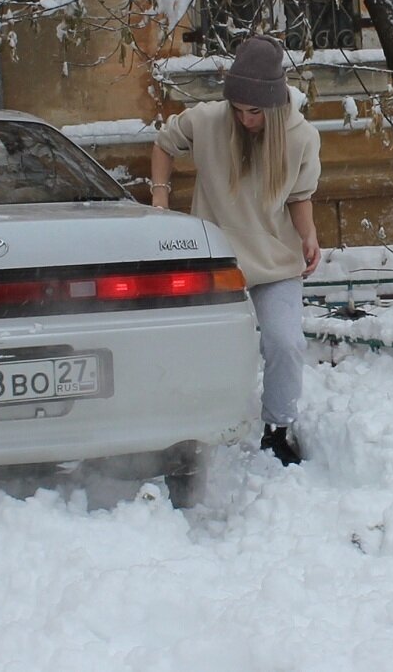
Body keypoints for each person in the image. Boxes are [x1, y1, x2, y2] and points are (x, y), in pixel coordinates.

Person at [150, 35, 320, 465]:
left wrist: (309, 235)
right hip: (216, 260)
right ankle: (190, 430)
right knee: (201, 345)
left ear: (276, 106)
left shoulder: (301, 137)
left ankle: (278, 429)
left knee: (284, 343)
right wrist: (159, 200)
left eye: (255, 112)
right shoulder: (208, 120)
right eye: (238, 109)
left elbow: (300, 195)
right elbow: (163, 143)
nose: (245, 119)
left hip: (275, 260)